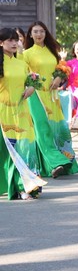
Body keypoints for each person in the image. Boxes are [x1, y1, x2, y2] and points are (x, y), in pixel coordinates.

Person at [23, 21, 78, 178]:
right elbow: (26, 75)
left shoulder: (52, 51)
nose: (39, 34)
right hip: (36, 96)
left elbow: (61, 69)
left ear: (46, 33)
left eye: (42, 31)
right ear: (30, 34)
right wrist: (34, 85)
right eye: (35, 31)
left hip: (52, 96)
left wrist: (59, 78)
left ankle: (65, 162)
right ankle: (55, 163)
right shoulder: (26, 54)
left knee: (60, 129)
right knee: (43, 130)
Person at [0, 28, 47, 200]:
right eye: (9, 40)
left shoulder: (21, 63)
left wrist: (32, 87)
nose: (14, 43)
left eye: (15, 40)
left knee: (25, 149)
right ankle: (18, 187)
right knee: (9, 151)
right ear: (1, 43)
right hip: (4, 112)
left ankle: (26, 186)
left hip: (22, 111)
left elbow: (32, 80)